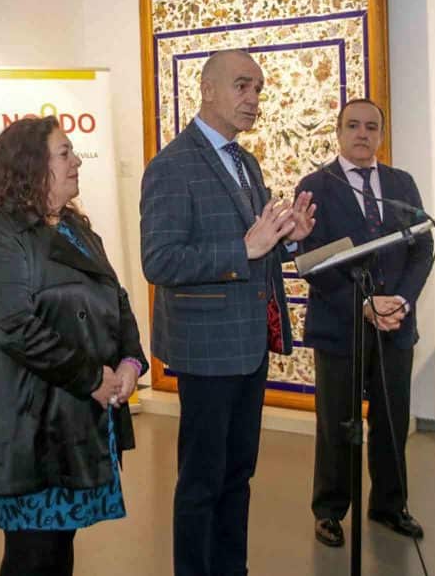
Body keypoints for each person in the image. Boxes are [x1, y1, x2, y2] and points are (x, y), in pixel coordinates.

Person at [140, 49, 316, 576]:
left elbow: (257, 248)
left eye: (258, 89)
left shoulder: (245, 162)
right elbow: (160, 261)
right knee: (201, 482)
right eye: (242, 86)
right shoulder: (171, 167)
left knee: (238, 475)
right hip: (206, 350)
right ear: (208, 89)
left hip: (249, 345)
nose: (253, 99)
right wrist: (246, 248)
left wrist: (288, 240)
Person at [0, 115, 148, 576]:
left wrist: (129, 361)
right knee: (34, 554)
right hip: (30, 421)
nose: (76, 161)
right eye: (65, 153)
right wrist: (91, 378)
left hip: (77, 417)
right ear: (30, 165)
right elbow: (14, 327)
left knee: (60, 545)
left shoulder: (75, 228)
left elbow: (116, 297)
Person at [294, 98, 433, 547]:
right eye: (352, 125)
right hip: (340, 328)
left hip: (395, 327)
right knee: (338, 423)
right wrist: (364, 304)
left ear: (381, 135)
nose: (362, 133)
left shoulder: (401, 184)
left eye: (371, 127)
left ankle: (390, 506)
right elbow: (312, 261)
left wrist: (401, 302)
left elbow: (421, 247)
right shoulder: (315, 186)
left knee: (392, 421)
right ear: (338, 132)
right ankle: (330, 511)